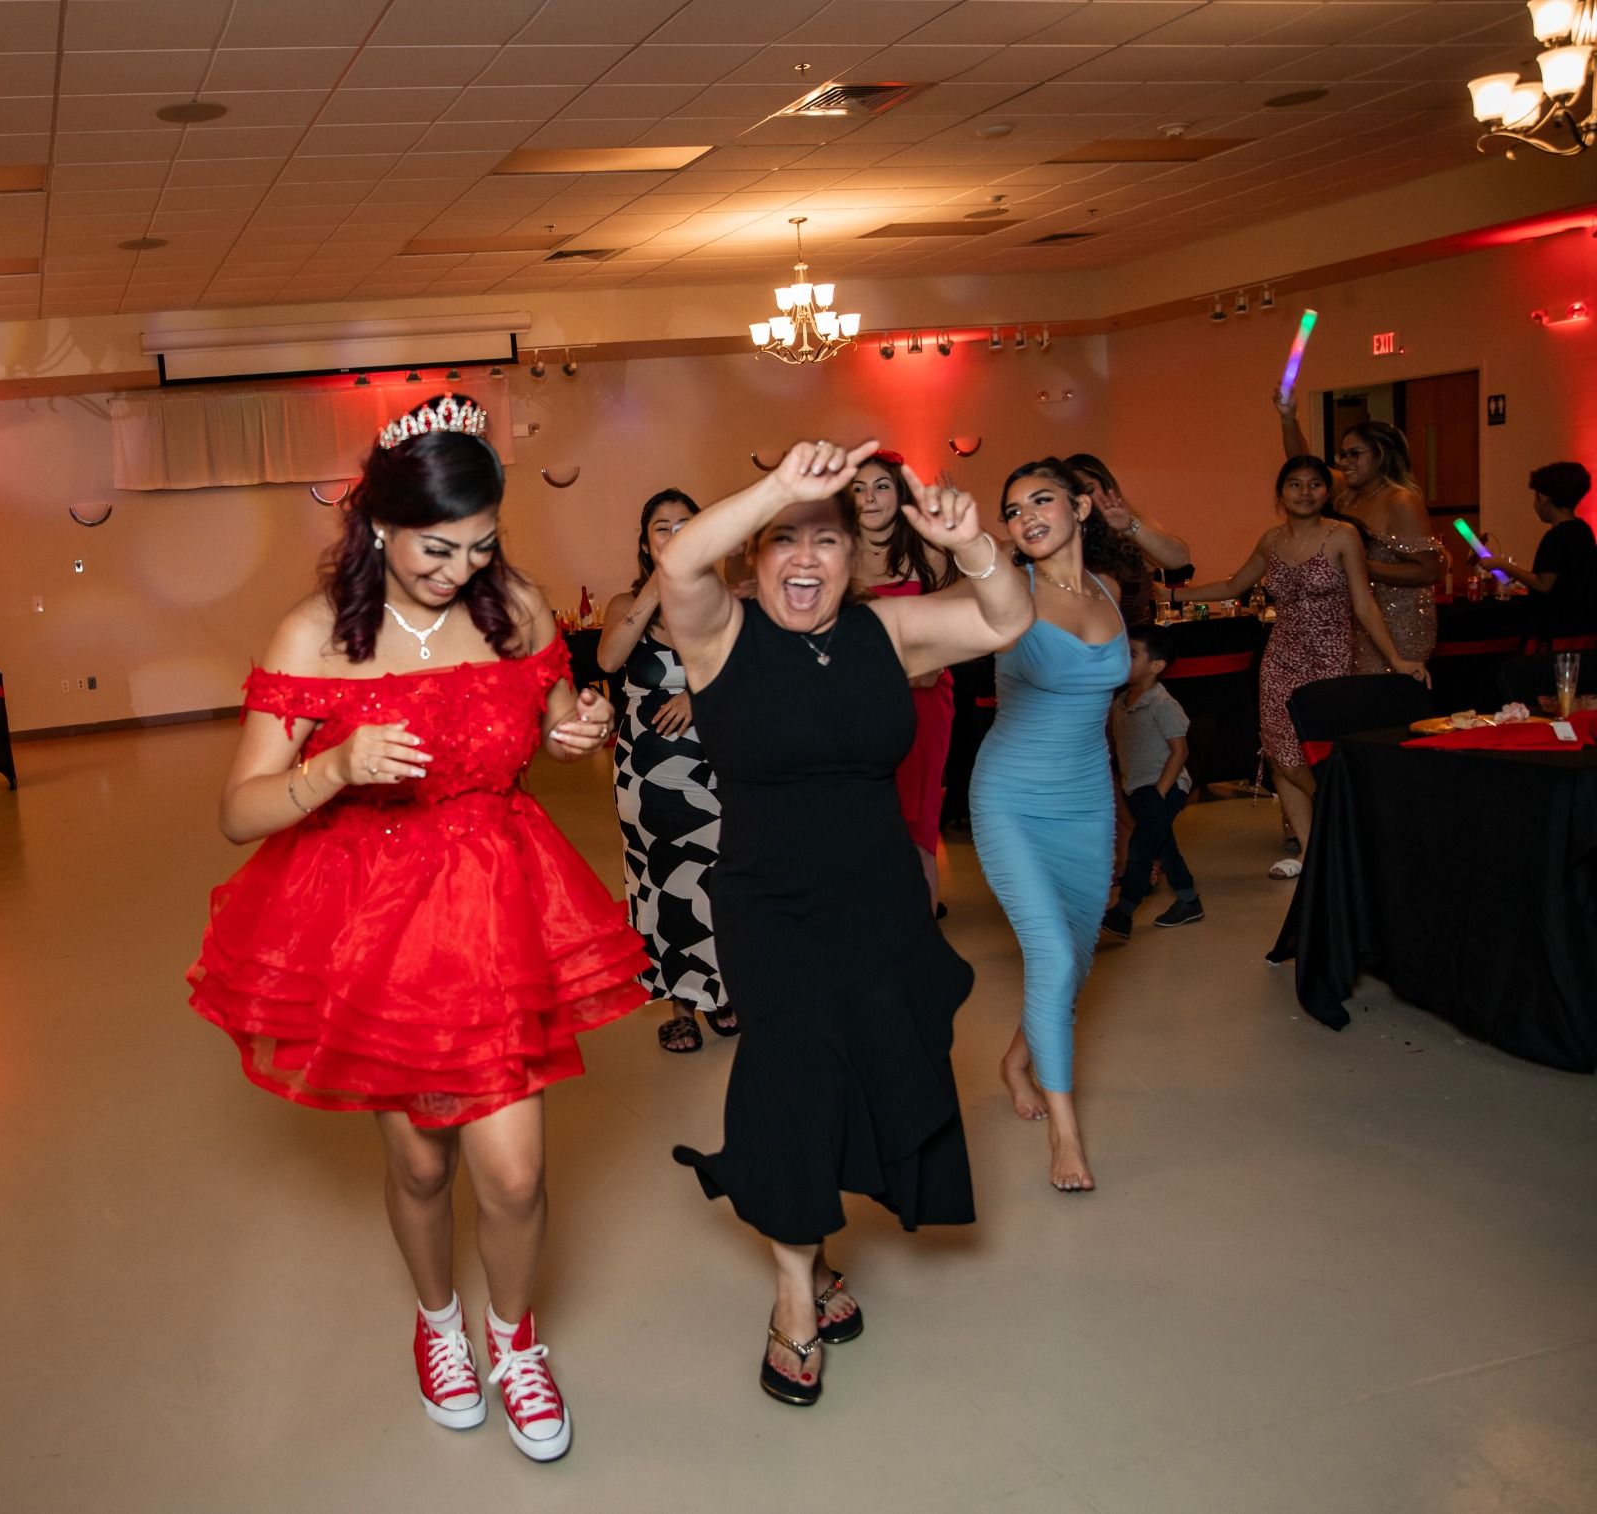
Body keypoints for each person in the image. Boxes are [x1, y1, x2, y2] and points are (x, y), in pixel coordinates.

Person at [186, 394, 646, 1464]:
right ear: (380, 525)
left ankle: (513, 1340)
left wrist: (576, 730)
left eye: (480, 544)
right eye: (437, 548)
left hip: (496, 901)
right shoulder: (314, 633)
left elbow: (554, 719)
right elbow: (238, 811)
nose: (460, 569)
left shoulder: (515, 606)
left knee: (515, 1172)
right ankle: (438, 1325)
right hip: (376, 924)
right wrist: (335, 766)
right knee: (424, 1167)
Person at [658, 438, 1031, 1408]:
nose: (804, 558)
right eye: (783, 539)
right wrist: (781, 489)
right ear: (754, 556)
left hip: (879, 902)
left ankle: (816, 1263)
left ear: (853, 555)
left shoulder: (886, 632)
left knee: (859, 1073)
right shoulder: (719, 633)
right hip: (771, 909)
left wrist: (973, 544)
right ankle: (795, 1294)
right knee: (789, 1083)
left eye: (824, 539)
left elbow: (1007, 617)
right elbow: (679, 562)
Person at [971, 459, 1132, 1194]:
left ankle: (1016, 1061)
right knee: (1055, 956)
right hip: (1010, 797)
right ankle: (1066, 1136)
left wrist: (1120, 807)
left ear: (1082, 508)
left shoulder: (1110, 591)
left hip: (1086, 800)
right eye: (1013, 509)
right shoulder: (1008, 593)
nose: (1026, 516)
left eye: (1041, 500)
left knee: (1073, 957)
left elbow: (1109, 714)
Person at [1173, 456, 1427, 876]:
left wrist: (1396, 658)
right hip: (1279, 658)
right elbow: (1234, 585)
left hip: (1330, 657)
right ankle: (1313, 851)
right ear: (1281, 493)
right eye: (1295, 484)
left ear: (1327, 493)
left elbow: (1364, 604)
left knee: (1317, 753)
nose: (1305, 492)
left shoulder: (1343, 535)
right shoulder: (1271, 540)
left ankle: (1348, 819)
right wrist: (1172, 595)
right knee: (1279, 754)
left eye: (1315, 484)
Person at [598, 488, 734, 1054]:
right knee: (659, 883)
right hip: (646, 773)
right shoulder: (624, 603)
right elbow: (608, 659)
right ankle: (680, 1005)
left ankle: (719, 991)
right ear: (646, 542)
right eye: (662, 527)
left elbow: (752, 677)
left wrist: (702, 697)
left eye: (685, 525)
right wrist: (657, 587)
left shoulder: (723, 603)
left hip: (715, 769)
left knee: (717, 879)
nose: (674, 534)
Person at [850, 449, 957, 911]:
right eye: (858, 489)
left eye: (881, 486)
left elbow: (952, 631)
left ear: (900, 494)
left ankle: (920, 932)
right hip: (854, 706)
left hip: (922, 702)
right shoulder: (837, 556)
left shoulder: (929, 552)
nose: (870, 498)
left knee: (916, 824)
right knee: (861, 821)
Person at [1275, 400, 1442, 670]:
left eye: (1354, 454)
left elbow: (1427, 571)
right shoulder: (1347, 494)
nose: (1345, 462)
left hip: (1398, 621)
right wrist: (1288, 419)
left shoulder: (1400, 501)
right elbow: (1304, 465)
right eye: (1342, 454)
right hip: (1358, 617)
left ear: (1380, 455)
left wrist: (1358, 567)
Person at [1101, 625, 1202, 940]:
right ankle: (1189, 901)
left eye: (1132, 654)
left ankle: (1124, 912)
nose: (1123, 658)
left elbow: (1180, 751)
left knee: (1140, 849)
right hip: (1137, 789)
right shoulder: (1121, 702)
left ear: (1156, 666)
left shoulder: (1162, 703)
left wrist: (1160, 793)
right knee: (1163, 846)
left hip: (1164, 788)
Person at [1064, 453, 1194, 626]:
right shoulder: (1065, 536)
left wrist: (1128, 527)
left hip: (1137, 634)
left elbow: (1180, 560)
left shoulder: (1133, 525)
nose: (1085, 501)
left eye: (1090, 490)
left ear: (1107, 485)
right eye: (1075, 495)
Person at [1485, 462, 1596, 645]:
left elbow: (1543, 584)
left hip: (1555, 630)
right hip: (1583, 627)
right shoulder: (1583, 530)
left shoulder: (1556, 537)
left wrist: (1502, 565)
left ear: (1543, 498)